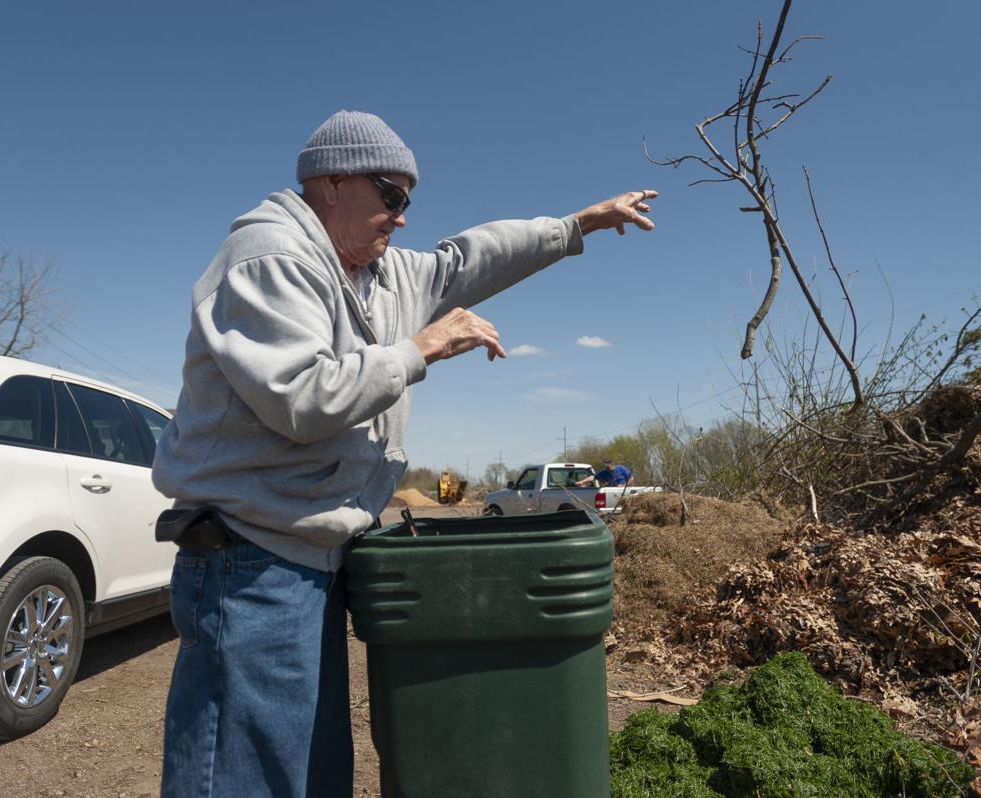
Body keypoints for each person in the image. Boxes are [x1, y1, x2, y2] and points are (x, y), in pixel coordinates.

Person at [150, 109, 657, 797]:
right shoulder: (271, 257)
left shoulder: (383, 274)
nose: (403, 216)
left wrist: (573, 226)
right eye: (391, 195)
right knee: (250, 775)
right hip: (247, 561)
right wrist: (418, 349)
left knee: (307, 768)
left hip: (311, 560)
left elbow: (473, 254)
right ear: (331, 183)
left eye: (408, 200)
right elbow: (303, 399)